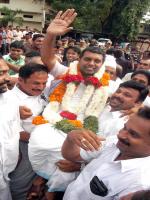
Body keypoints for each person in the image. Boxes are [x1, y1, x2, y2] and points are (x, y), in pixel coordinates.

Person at [29, 9, 110, 200]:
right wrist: (50, 35)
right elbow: (48, 57)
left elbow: (129, 99)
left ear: (102, 64)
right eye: (87, 59)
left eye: (97, 61)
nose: (91, 63)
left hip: (84, 131)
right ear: (79, 60)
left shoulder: (110, 86)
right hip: (55, 121)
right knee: (42, 143)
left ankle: (46, 190)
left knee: (72, 163)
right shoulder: (66, 72)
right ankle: (41, 185)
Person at [62, 106, 150, 200]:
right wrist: (70, 138)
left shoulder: (140, 184)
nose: (120, 135)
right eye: (124, 128)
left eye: (133, 134)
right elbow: (74, 156)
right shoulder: (114, 141)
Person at [8, 64, 49, 200]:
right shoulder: (10, 101)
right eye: (36, 83)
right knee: (19, 185)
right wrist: (42, 142)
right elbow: (15, 131)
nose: (41, 87)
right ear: (20, 80)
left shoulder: (42, 93)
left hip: (42, 146)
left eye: (44, 82)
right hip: (22, 148)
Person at [0, 56, 21, 200]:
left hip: (5, 174)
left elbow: (14, 131)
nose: (8, 78)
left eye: (7, 72)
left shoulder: (11, 98)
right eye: (1, 73)